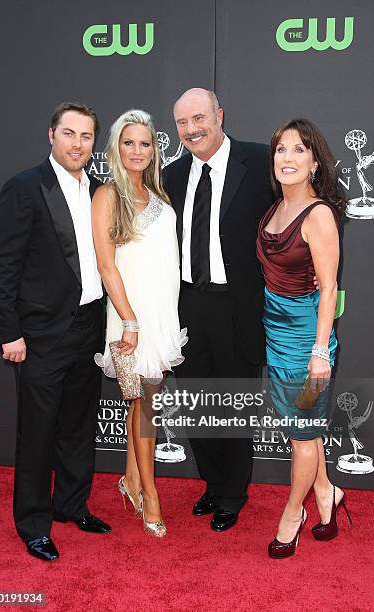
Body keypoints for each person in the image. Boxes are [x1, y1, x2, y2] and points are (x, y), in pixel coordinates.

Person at [0, 102, 111, 562]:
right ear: (51, 135)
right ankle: (33, 523)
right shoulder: (24, 187)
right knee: (37, 432)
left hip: (88, 326)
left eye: (86, 136)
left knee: (78, 425)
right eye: (69, 134)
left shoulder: (100, 191)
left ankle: (72, 505)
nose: (78, 144)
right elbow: (0, 267)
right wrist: (9, 333)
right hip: (39, 333)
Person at [163, 88, 273, 532]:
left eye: (199, 118)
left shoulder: (261, 162)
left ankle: (233, 492)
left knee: (233, 404)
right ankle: (211, 483)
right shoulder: (170, 175)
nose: (192, 129)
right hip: (187, 304)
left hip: (238, 305)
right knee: (193, 405)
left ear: (220, 114)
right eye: (182, 123)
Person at [256, 118, 351, 559]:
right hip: (275, 333)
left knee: (302, 433)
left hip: (307, 342)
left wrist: (319, 352)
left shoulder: (319, 215)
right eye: (281, 150)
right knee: (306, 434)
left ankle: (294, 512)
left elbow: (329, 288)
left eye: (298, 150)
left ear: (314, 161)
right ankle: (328, 493)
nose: (287, 158)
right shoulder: (274, 209)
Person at [92, 109, 187, 538]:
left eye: (145, 143)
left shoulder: (160, 196)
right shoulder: (108, 196)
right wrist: (129, 322)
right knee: (144, 404)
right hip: (129, 321)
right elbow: (106, 267)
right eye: (129, 142)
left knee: (140, 402)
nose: (137, 150)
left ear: (155, 149)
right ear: (116, 147)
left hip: (163, 316)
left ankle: (131, 479)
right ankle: (151, 495)